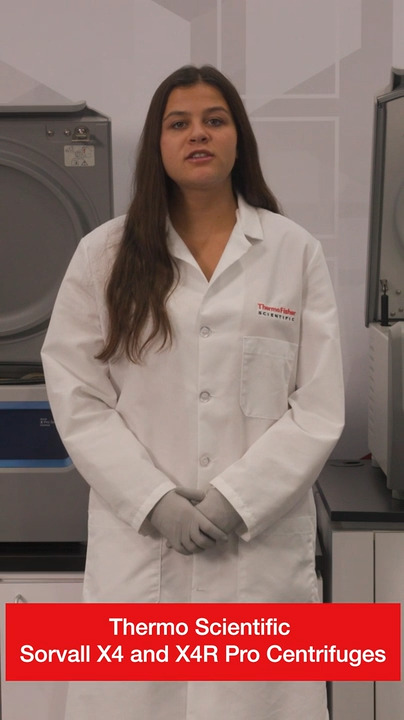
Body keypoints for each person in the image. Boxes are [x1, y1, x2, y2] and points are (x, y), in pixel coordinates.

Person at [41, 64, 344, 720]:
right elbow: (78, 395)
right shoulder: (104, 255)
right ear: (158, 144)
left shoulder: (293, 251)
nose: (197, 133)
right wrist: (156, 504)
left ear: (239, 138)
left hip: (257, 549)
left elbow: (318, 408)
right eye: (178, 123)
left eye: (215, 120)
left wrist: (237, 501)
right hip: (142, 550)